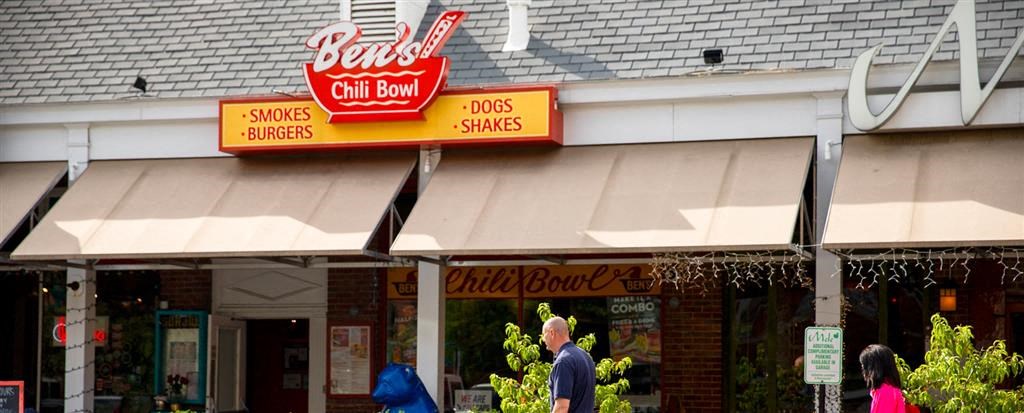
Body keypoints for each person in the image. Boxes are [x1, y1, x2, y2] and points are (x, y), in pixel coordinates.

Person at [542, 316, 596, 413]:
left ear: (552, 333)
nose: (543, 339)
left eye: (543, 334)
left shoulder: (563, 361)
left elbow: (561, 407)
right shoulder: (586, 356)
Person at [859, 344, 907, 413]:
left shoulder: (885, 392)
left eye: (864, 365)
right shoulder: (889, 390)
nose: (862, 369)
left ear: (873, 368)